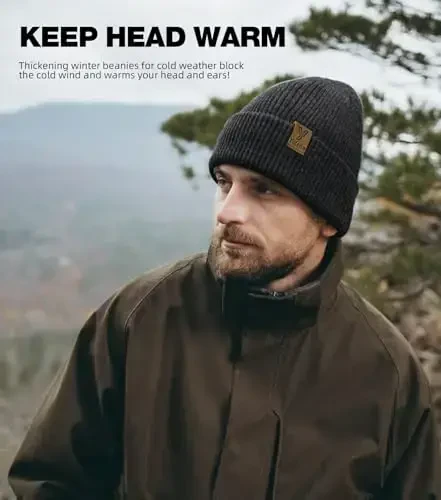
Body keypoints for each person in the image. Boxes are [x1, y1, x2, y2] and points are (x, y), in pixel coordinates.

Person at [8, 77, 441, 499]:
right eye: (224, 182)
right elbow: (51, 481)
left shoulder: (388, 373)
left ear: (327, 219)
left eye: (264, 190)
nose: (228, 211)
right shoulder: (139, 317)